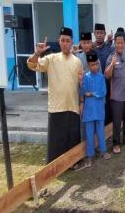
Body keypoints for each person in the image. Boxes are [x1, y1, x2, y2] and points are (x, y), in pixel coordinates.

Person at [27, 27, 83, 163]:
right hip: (57, 107)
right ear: (59, 42)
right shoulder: (51, 59)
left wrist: (81, 102)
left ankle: (72, 163)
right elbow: (32, 65)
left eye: (68, 41)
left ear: (71, 43)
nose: (65, 43)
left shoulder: (77, 61)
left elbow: (81, 84)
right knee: (57, 139)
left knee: (72, 138)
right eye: (62, 40)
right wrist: (37, 53)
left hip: (73, 106)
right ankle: (54, 167)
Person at [105, 32, 125, 154]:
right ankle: (116, 143)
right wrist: (112, 65)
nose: (120, 44)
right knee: (117, 122)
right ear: (115, 43)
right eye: (118, 42)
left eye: (122, 42)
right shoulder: (111, 57)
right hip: (117, 97)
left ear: (124, 43)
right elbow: (107, 75)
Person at [80, 52, 111, 167]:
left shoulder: (101, 77)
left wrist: (91, 94)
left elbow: (103, 92)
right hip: (88, 111)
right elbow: (83, 92)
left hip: (99, 110)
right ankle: (90, 155)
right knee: (89, 134)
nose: (95, 67)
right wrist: (81, 82)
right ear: (88, 65)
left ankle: (103, 151)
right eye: (92, 65)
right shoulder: (86, 77)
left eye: (96, 64)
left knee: (100, 132)